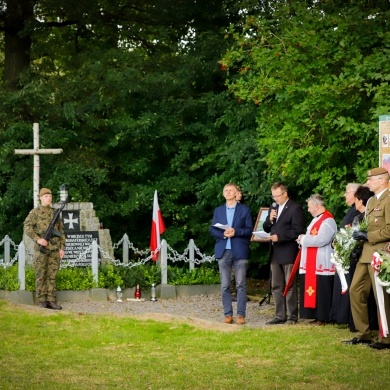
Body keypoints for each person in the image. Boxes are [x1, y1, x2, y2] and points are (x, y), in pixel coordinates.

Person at [345, 167, 390, 349]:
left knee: (382, 298)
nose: (368, 183)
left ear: (382, 180)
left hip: (380, 254)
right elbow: (367, 225)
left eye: (371, 180)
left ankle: (386, 338)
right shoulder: (371, 201)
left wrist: (368, 236)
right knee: (355, 290)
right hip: (366, 253)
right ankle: (364, 333)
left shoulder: (388, 199)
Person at [210, 183, 253, 325]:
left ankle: (241, 315)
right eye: (226, 191)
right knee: (225, 285)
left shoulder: (244, 210)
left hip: (239, 250)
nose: (228, 193)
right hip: (223, 250)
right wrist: (223, 233)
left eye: (231, 191)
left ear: (236, 194)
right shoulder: (218, 210)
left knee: (241, 284)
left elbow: (249, 230)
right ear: (223, 194)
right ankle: (228, 314)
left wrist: (236, 232)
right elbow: (212, 230)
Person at [262, 182, 305, 324]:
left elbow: (297, 230)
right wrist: (269, 219)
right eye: (273, 196)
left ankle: (292, 316)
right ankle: (280, 315)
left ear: (285, 194)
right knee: (276, 285)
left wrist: (280, 237)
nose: (275, 199)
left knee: (290, 285)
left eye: (277, 196)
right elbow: (267, 228)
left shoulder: (295, 208)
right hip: (275, 251)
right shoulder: (273, 208)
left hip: (288, 251)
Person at [297, 194, 337, 325]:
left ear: (316, 206)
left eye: (309, 207)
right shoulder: (316, 219)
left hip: (321, 261)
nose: (308, 210)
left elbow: (322, 239)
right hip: (312, 262)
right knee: (314, 289)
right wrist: (302, 238)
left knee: (322, 289)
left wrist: (303, 239)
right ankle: (315, 315)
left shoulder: (328, 220)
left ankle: (323, 316)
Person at [24, 188, 66, 310]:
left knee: (52, 275)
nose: (49, 198)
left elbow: (61, 232)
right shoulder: (35, 212)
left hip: (54, 249)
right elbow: (27, 227)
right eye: (46, 196)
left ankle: (51, 300)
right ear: (41, 198)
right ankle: (42, 300)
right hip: (41, 249)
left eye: (50, 196)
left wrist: (62, 248)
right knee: (41, 274)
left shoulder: (55, 213)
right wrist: (38, 239)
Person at [330, 183, 361, 326]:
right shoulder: (351, 210)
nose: (344, 195)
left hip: (351, 254)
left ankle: (347, 317)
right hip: (344, 254)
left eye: (346, 192)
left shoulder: (358, 212)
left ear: (355, 193)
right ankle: (341, 316)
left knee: (349, 285)